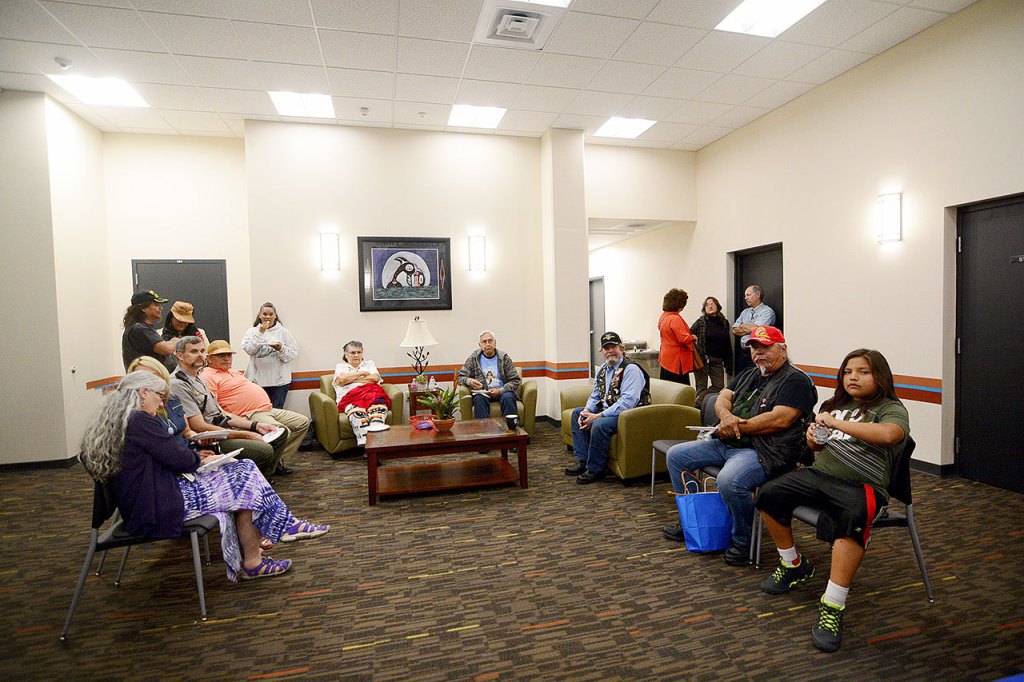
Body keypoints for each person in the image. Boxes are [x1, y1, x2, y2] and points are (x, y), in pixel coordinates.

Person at [79, 371, 328, 581]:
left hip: (146, 499)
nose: (161, 403)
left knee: (245, 471)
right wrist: (201, 459)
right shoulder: (139, 421)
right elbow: (180, 459)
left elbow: (169, 456)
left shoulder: (120, 421)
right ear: (144, 392)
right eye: (159, 396)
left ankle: (268, 544)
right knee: (244, 476)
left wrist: (196, 458)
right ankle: (273, 538)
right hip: (155, 508)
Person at [754, 349, 909, 653]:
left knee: (853, 517)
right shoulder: (834, 405)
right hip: (820, 475)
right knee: (768, 494)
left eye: (863, 372)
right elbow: (816, 447)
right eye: (849, 371)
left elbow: (890, 435)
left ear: (880, 376)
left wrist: (837, 425)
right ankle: (793, 565)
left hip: (861, 485)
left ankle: (833, 606)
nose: (854, 377)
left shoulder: (889, 408)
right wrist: (813, 437)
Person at [662, 326, 816, 565]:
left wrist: (736, 426)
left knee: (729, 481)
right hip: (728, 441)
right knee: (676, 456)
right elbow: (724, 396)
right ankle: (694, 521)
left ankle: (742, 541)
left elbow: (780, 419)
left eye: (765, 347)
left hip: (764, 451)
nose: (759, 353)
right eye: (755, 347)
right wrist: (725, 417)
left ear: (783, 349)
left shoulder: (796, 380)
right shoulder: (750, 374)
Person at [169, 336, 283, 476]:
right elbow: (199, 426)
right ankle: (244, 484)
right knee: (263, 451)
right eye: (193, 351)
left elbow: (222, 413)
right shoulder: (178, 383)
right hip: (208, 440)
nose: (200, 355)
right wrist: (246, 435)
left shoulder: (196, 377)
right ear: (179, 355)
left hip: (223, 428)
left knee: (275, 433)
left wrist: (255, 425)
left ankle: (256, 482)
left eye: (202, 351)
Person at [201, 340, 310, 477]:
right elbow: (213, 406)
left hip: (267, 409)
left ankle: (276, 462)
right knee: (281, 431)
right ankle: (269, 469)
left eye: (229, 355)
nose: (226, 358)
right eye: (221, 355)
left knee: (302, 422)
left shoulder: (233, 372)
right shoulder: (207, 375)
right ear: (209, 358)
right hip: (250, 413)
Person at [566, 331, 651, 484]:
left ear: (622, 349)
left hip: (629, 415)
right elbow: (595, 395)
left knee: (599, 424)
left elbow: (627, 402)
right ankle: (583, 461)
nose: (610, 351)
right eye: (606, 348)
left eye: (614, 347)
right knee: (577, 413)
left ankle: (595, 469)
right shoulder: (603, 370)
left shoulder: (631, 369)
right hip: (609, 410)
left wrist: (599, 416)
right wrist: (587, 411)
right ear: (602, 352)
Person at [241, 302, 299, 410]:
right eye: (265, 314)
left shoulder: (284, 332)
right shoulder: (251, 331)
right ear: (260, 315)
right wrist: (260, 333)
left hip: (279, 383)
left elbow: (291, 354)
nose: (267, 317)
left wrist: (280, 348)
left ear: (275, 316)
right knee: (259, 412)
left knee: (277, 413)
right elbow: (249, 350)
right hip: (257, 382)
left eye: (271, 314)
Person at [333, 341, 391, 447]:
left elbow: (375, 378)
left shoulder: (369, 364)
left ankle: (376, 445)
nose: (356, 355)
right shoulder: (341, 367)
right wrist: (362, 373)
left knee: (377, 412)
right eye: (353, 352)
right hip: (350, 399)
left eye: (359, 352)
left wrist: (351, 379)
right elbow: (341, 380)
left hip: (372, 395)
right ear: (346, 354)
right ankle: (367, 446)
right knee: (358, 415)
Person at [456, 330, 520, 421]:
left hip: (503, 392)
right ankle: (484, 433)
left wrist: (500, 390)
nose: (487, 344)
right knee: (479, 399)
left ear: (495, 343)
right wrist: (470, 381)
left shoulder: (504, 358)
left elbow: (515, 380)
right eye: (484, 342)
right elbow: (460, 377)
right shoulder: (473, 358)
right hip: (483, 393)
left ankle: (511, 430)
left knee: (508, 397)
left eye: (490, 341)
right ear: (480, 345)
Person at [690, 296, 733, 404]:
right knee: (701, 387)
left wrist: (728, 361)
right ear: (704, 308)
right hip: (703, 360)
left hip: (718, 360)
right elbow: (689, 333)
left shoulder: (724, 322)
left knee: (719, 386)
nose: (710, 306)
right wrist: (694, 339)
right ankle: (698, 409)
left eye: (712, 304)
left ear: (717, 306)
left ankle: (698, 402)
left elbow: (727, 342)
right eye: (707, 304)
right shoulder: (701, 322)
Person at [121, 290, 177, 372]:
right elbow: (166, 349)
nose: (161, 308)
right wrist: (175, 341)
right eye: (156, 305)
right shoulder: (139, 329)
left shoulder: (142, 328)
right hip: (149, 381)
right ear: (142, 308)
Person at [732, 285, 776, 373]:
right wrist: (750, 327)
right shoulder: (745, 312)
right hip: (744, 352)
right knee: (742, 379)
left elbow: (758, 330)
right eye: (745, 296)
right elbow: (734, 330)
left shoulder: (767, 312)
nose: (745, 298)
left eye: (748, 295)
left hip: (759, 352)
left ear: (758, 294)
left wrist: (742, 325)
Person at [657, 288, 696, 385]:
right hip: (676, 360)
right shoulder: (675, 319)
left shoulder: (664, 316)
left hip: (665, 357)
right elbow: (684, 338)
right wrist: (693, 337)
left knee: (667, 387)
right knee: (681, 388)